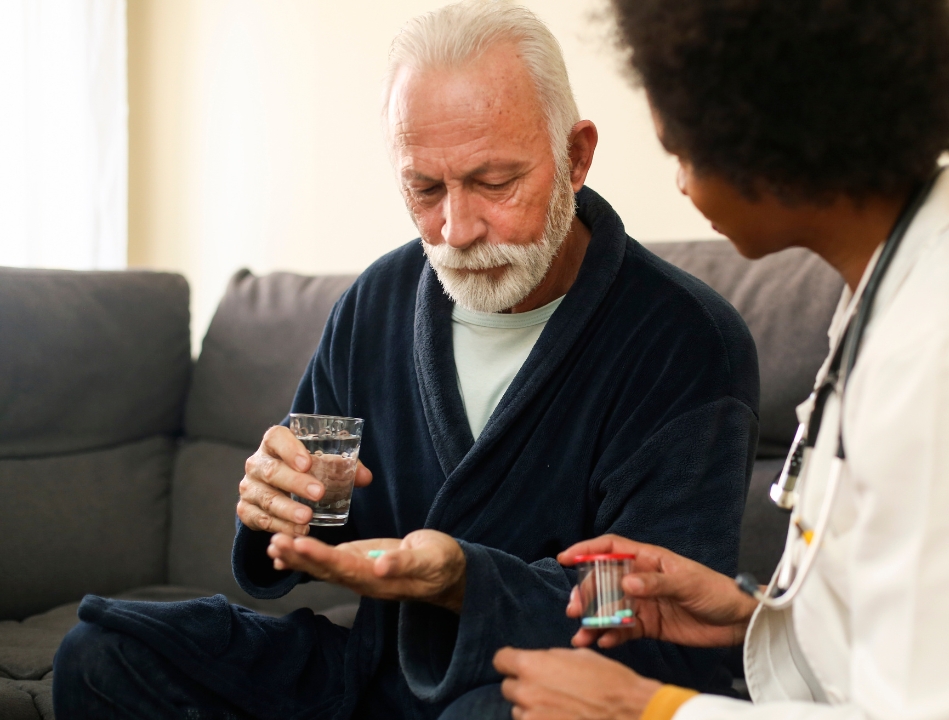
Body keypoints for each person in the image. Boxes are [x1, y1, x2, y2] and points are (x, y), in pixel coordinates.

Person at [494, 1, 949, 718]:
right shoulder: (900, 299)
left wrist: (649, 710)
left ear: (771, 140)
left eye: (683, 151)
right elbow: (916, 622)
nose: (678, 181)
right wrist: (749, 620)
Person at [52, 3, 760, 718]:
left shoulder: (683, 339)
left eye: (494, 182)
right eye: (424, 189)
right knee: (102, 653)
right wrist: (284, 505)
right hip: (368, 676)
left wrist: (464, 581)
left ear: (575, 157)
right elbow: (320, 517)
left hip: (531, 688)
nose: (456, 230)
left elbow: (653, 622)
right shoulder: (380, 300)